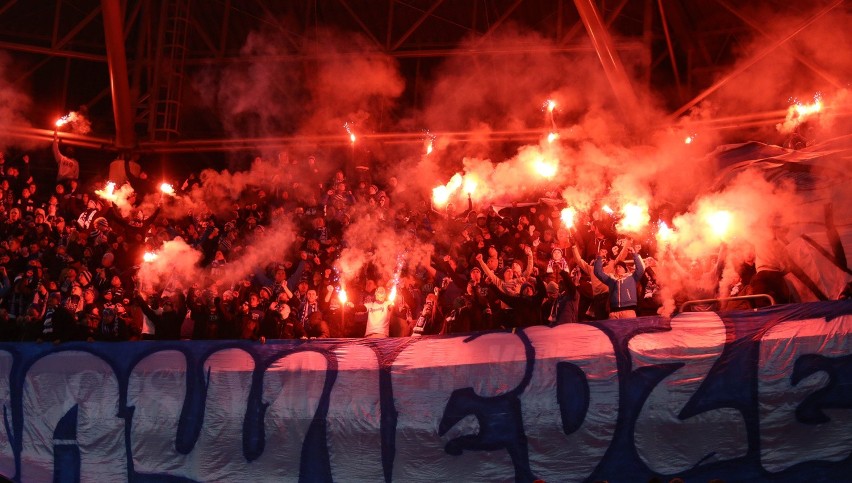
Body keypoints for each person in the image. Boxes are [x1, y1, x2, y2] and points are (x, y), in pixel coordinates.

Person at [594, 246, 645, 319]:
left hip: (629, 311)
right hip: (614, 312)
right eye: (616, 267)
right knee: (612, 330)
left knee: (629, 330)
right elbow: (598, 272)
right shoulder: (611, 279)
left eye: (620, 267)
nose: (617, 268)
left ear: (625, 269)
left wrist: (634, 254)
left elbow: (640, 269)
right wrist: (599, 257)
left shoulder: (632, 277)